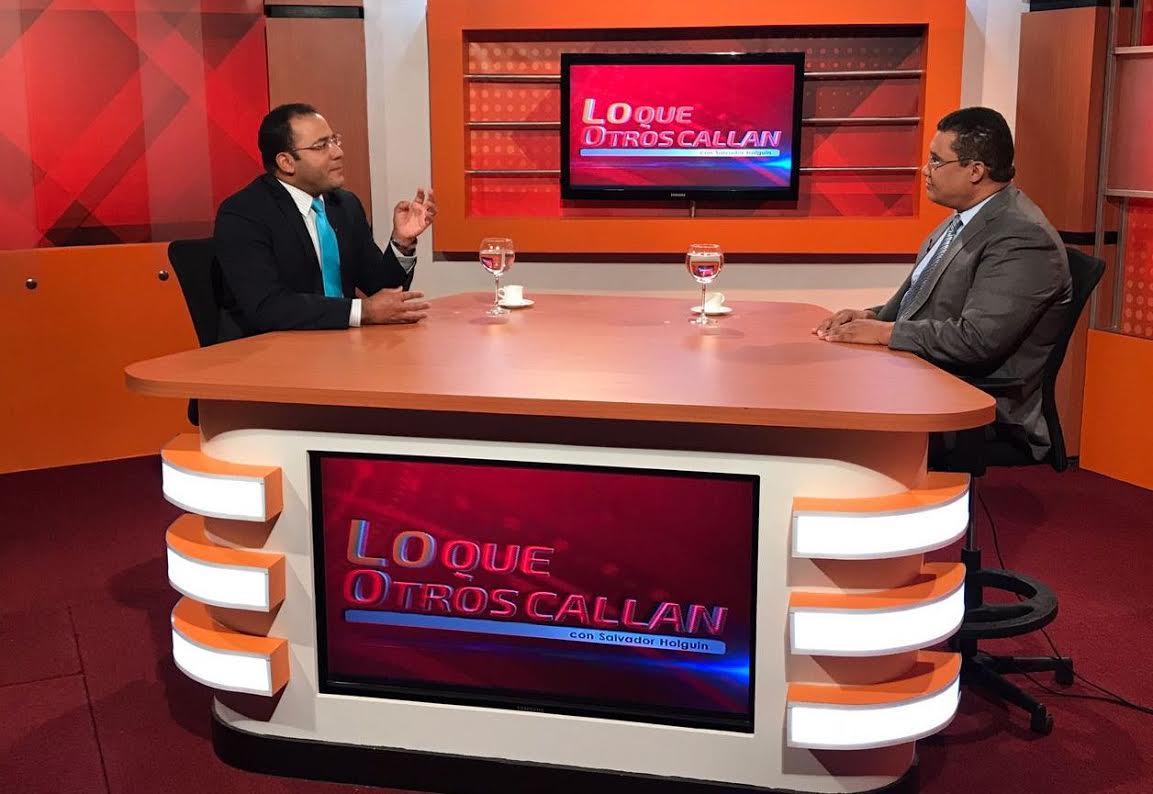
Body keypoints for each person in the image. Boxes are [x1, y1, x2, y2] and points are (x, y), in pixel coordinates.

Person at [813, 107, 1072, 461]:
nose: (925, 170)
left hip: (977, 402)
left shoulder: (1022, 237)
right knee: (824, 380)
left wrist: (884, 332)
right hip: (927, 373)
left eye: (936, 161)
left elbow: (977, 340)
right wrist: (868, 316)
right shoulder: (962, 221)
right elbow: (920, 302)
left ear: (975, 171)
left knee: (831, 408)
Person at [213, 103, 434, 341]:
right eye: (321, 146)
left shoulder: (345, 205)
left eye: (334, 140)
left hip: (342, 346)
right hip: (273, 351)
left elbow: (381, 292)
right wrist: (362, 311)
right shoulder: (244, 214)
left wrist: (402, 242)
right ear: (286, 162)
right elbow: (267, 306)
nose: (337, 152)